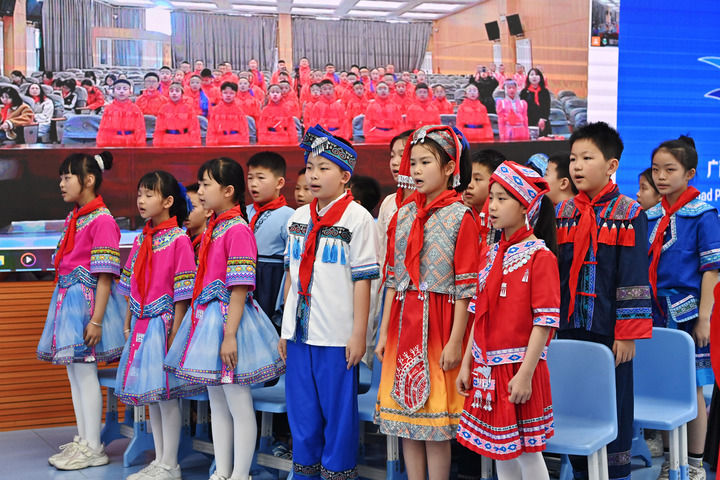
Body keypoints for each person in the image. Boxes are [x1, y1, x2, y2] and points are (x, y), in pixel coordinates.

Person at [164, 158, 285, 480]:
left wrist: (230, 335)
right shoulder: (216, 227)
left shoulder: (237, 229)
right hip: (209, 319)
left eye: (206, 184)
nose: (200, 191)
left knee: (238, 402)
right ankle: (223, 471)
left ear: (228, 190)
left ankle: (240, 474)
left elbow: (240, 285)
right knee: (217, 402)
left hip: (230, 322)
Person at [375, 126, 478, 480]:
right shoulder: (402, 215)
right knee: (407, 423)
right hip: (403, 324)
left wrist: (456, 341)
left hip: (440, 326)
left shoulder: (462, 216)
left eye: (426, 162)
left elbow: (466, 289)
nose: (416, 170)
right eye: (414, 162)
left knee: (435, 426)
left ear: (449, 168)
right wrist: (382, 334)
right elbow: (392, 280)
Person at [280, 126, 380, 480]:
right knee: (302, 412)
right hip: (299, 333)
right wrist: (285, 329)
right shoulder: (297, 218)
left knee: (338, 415)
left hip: (336, 336)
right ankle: (304, 473)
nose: (313, 175)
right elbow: (292, 276)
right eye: (310, 167)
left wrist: (359, 335)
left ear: (344, 176)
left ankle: (337, 474)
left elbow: (363, 281)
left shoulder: (358, 219)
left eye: (323, 168)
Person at [555, 122, 652, 480]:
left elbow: (634, 277)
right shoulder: (564, 213)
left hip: (611, 332)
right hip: (570, 329)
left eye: (587, 158)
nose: (577, 166)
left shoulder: (629, 213)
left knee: (613, 406)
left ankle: (615, 472)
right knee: (575, 405)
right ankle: (581, 470)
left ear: (611, 165)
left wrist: (627, 333)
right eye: (573, 159)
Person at [456, 161, 558, 480]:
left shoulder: (540, 257)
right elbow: (478, 313)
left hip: (519, 369)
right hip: (487, 368)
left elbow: (544, 322)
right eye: (492, 198)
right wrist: (467, 363)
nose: (493, 206)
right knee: (500, 449)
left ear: (525, 205)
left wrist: (526, 374)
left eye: (502, 199)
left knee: (528, 453)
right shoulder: (489, 254)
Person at [38, 152, 126, 471]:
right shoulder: (76, 216)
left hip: (87, 305)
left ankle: (94, 446)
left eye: (67, 177)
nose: (61, 184)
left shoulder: (102, 220)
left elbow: (105, 275)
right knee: (75, 373)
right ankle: (85, 439)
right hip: (70, 299)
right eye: (61, 178)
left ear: (88, 180)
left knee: (86, 373)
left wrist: (97, 320)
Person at [646, 136, 720, 480]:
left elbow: (711, 271)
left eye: (670, 170)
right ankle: (669, 459)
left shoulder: (704, 214)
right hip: (653, 313)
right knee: (663, 389)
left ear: (689, 173)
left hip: (687, 315)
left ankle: (694, 464)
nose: (661, 176)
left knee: (693, 389)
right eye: (656, 170)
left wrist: (704, 318)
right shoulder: (649, 215)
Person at [115, 171, 196, 480]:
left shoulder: (179, 239)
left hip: (164, 325)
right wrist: (128, 323)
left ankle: (171, 464)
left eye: (149, 194)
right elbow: (130, 286)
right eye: (140, 194)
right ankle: (160, 460)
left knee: (168, 397)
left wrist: (175, 332)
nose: (141, 200)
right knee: (153, 397)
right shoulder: (141, 239)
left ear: (168, 201)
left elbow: (183, 294)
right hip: (142, 325)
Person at [246, 151, 295, 324]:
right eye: (250, 178)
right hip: (244, 275)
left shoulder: (290, 216)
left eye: (260, 178)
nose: (253, 184)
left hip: (271, 279)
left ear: (279, 182)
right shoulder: (243, 212)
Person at [376, 130, 414, 270]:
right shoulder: (388, 202)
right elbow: (379, 250)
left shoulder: (429, 203)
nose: (395, 162)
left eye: (402, 155)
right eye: (392, 156)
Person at [463, 148, 505, 248]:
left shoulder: (504, 219)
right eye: (467, 178)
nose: (469, 185)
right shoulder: (459, 212)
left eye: (477, 179)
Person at [96, 80, 146, 147]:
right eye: (118, 89)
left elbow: (140, 129)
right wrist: (101, 144)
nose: (121, 91)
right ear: (113, 92)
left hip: (131, 142)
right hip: (112, 142)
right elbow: (103, 129)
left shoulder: (135, 109)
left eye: (125, 89)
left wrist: (140, 145)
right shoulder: (108, 109)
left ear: (130, 92)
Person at [153, 83, 201, 147]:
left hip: (185, 141)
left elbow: (194, 129)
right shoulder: (163, 108)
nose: (174, 93)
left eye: (177, 91)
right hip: (167, 142)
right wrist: (157, 145)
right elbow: (159, 130)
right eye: (171, 91)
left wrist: (195, 145)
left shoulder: (189, 108)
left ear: (182, 93)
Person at [520, 68, 551, 137]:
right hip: (529, 122)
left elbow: (547, 108)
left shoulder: (545, 92)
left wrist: (543, 119)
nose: (534, 77)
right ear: (528, 77)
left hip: (543, 122)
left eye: (536, 75)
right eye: (532, 75)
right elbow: (523, 110)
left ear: (540, 77)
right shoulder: (524, 92)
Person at [184, 183, 210, 261]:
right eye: (184, 207)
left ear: (208, 211)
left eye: (192, 206)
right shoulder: (180, 240)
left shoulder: (212, 242)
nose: (186, 212)